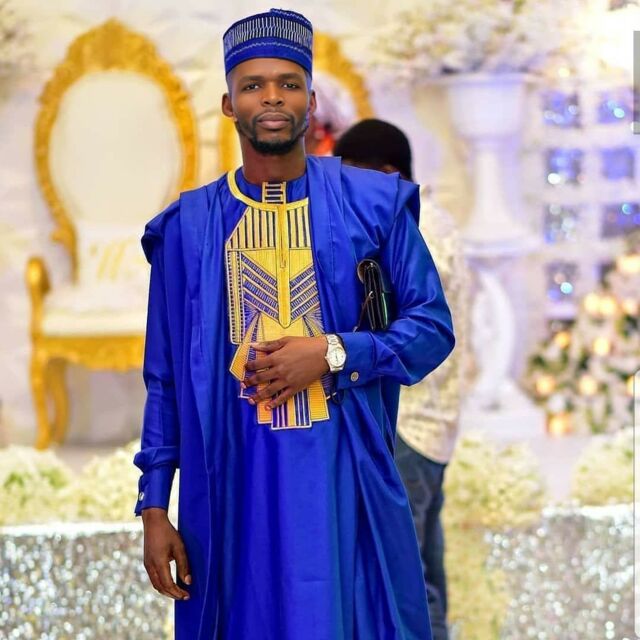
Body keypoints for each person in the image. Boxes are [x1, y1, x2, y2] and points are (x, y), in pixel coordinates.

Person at [133, 10, 455, 640]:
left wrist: (333, 352)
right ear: (229, 104)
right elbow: (163, 377)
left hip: (343, 479)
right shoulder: (187, 229)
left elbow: (431, 327)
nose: (272, 98)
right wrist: (153, 506)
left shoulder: (374, 206)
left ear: (311, 99)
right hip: (230, 486)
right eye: (253, 85)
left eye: (288, 83)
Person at [334, 119, 469, 640]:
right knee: (425, 575)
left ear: (388, 174)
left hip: (406, 424)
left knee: (400, 583)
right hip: (434, 426)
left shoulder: (410, 228)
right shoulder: (441, 223)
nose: (346, 193)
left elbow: (416, 332)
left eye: (353, 177)